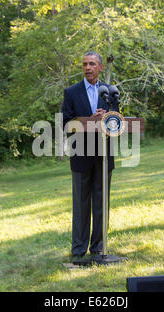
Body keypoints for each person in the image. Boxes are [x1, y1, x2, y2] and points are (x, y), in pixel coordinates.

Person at [61, 51, 119, 261]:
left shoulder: (110, 91)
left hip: (104, 156)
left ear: (100, 67)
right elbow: (66, 124)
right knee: (81, 205)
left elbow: (117, 122)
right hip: (81, 155)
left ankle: (98, 249)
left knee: (101, 202)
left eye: (92, 64)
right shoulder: (71, 92)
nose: (88, 68)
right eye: (85, 64)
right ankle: (78, 252)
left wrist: (109, 117)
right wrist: (88, 120)